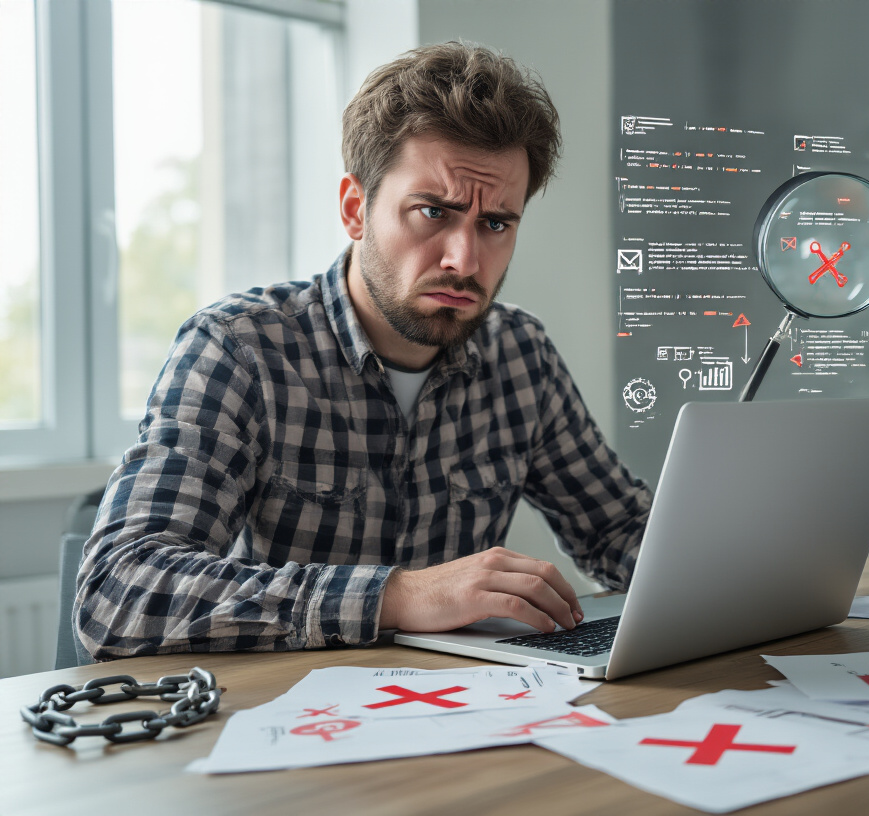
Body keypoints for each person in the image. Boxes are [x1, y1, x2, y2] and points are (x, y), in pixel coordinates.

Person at [74, 42, 653, 659]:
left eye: (495, 224)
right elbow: (117, 593)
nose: (464, 261)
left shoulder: (520, 355)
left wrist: (717, 573)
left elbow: (620, 530)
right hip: (287, 704)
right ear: (356, 209)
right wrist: (396, 596)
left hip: (471, 702)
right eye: (432, 212)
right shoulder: (240, 349)